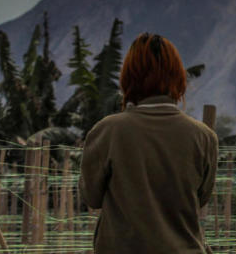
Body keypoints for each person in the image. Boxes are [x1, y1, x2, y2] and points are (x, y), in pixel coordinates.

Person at [79, 33, 218, 253]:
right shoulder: (203, 136)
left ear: (129, 78)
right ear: (178, 78)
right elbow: (200, 198)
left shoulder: (108, 131)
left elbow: (92, 197)